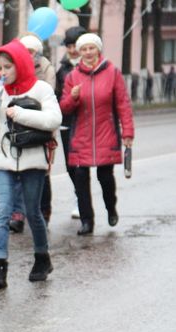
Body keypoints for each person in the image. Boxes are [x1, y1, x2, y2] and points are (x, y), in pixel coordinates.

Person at [0, 39, 61, 288]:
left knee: (32, 212)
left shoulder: (41, 88)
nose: (3, 73)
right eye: (0, 68)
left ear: (21, 64)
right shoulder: (0, 91)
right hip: (4, 160)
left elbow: (54, 120)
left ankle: (42, 258)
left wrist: (20, 113)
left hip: (33, 159)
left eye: (8, 67)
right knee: (2, 212)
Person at [60, 33, 134, 236]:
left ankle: (111, 207)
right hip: (81, 136)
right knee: (80, 177)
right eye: (84, 49)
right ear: (79, 52)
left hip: (106, 133)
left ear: (98, 50)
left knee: (105, 177)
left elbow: (123, 104)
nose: (88, 52)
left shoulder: (112, 72)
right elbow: (64, 108)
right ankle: (87, 221)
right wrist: (73, 98)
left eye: (91, 48)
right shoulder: (73, 76)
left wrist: (127, 132)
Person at [14, 33, 57, 226]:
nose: (27, 55)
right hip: (18, 125)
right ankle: (18, 213)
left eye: (31, 51)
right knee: (17, 170)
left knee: (41, 171)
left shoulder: (46, 68)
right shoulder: (16, 67)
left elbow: (48, 96)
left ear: (38, 53)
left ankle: (44, 210)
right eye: (24, 51)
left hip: (40, 126)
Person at [55, 26, 87, 221]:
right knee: (70, 165)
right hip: (67, 123)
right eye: (69, 46)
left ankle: (82, 201)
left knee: (83, 166)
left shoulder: (93, 67)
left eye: (76, 45)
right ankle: (79, 194)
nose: (73, 50)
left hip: (87, 122)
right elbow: (58, 96)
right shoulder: (62, 70)